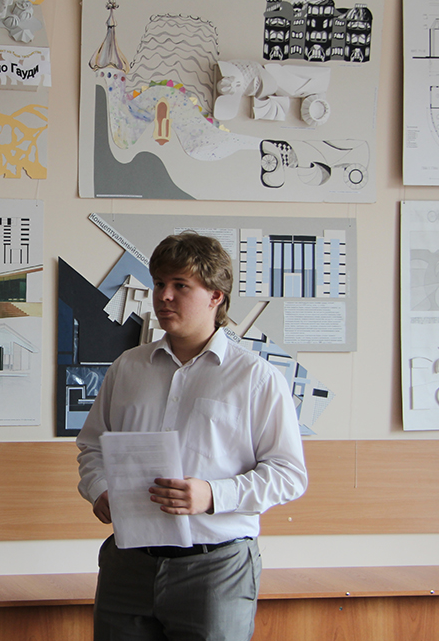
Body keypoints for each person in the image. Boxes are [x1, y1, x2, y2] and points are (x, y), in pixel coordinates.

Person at [76, 231, 307, 641]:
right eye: (159, 283)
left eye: (180, 285)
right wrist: (99, 489)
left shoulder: (256, 378)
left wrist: (213, 495)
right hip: (127, 564)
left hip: (215, 569)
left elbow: (289, 474)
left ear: (216, 296)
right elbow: (93, 445)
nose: (163, 296)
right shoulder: (127, 367)